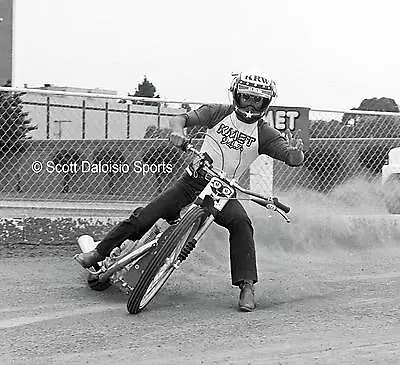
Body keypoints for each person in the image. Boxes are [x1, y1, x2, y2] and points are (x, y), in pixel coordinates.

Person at [76, 71, 304, 312]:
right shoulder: (218, 112)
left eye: (257, 100)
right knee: (146, 215)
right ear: (236, 95)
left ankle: (246, 286)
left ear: (266, 103)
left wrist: (296, 153)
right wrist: (178, 131)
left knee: (242, 224)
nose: (250, 104)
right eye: (246, 97)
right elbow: (180, 119)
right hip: (193, 180)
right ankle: (98, 253)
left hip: (224, 192)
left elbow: (290, 157)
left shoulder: (265, 133)